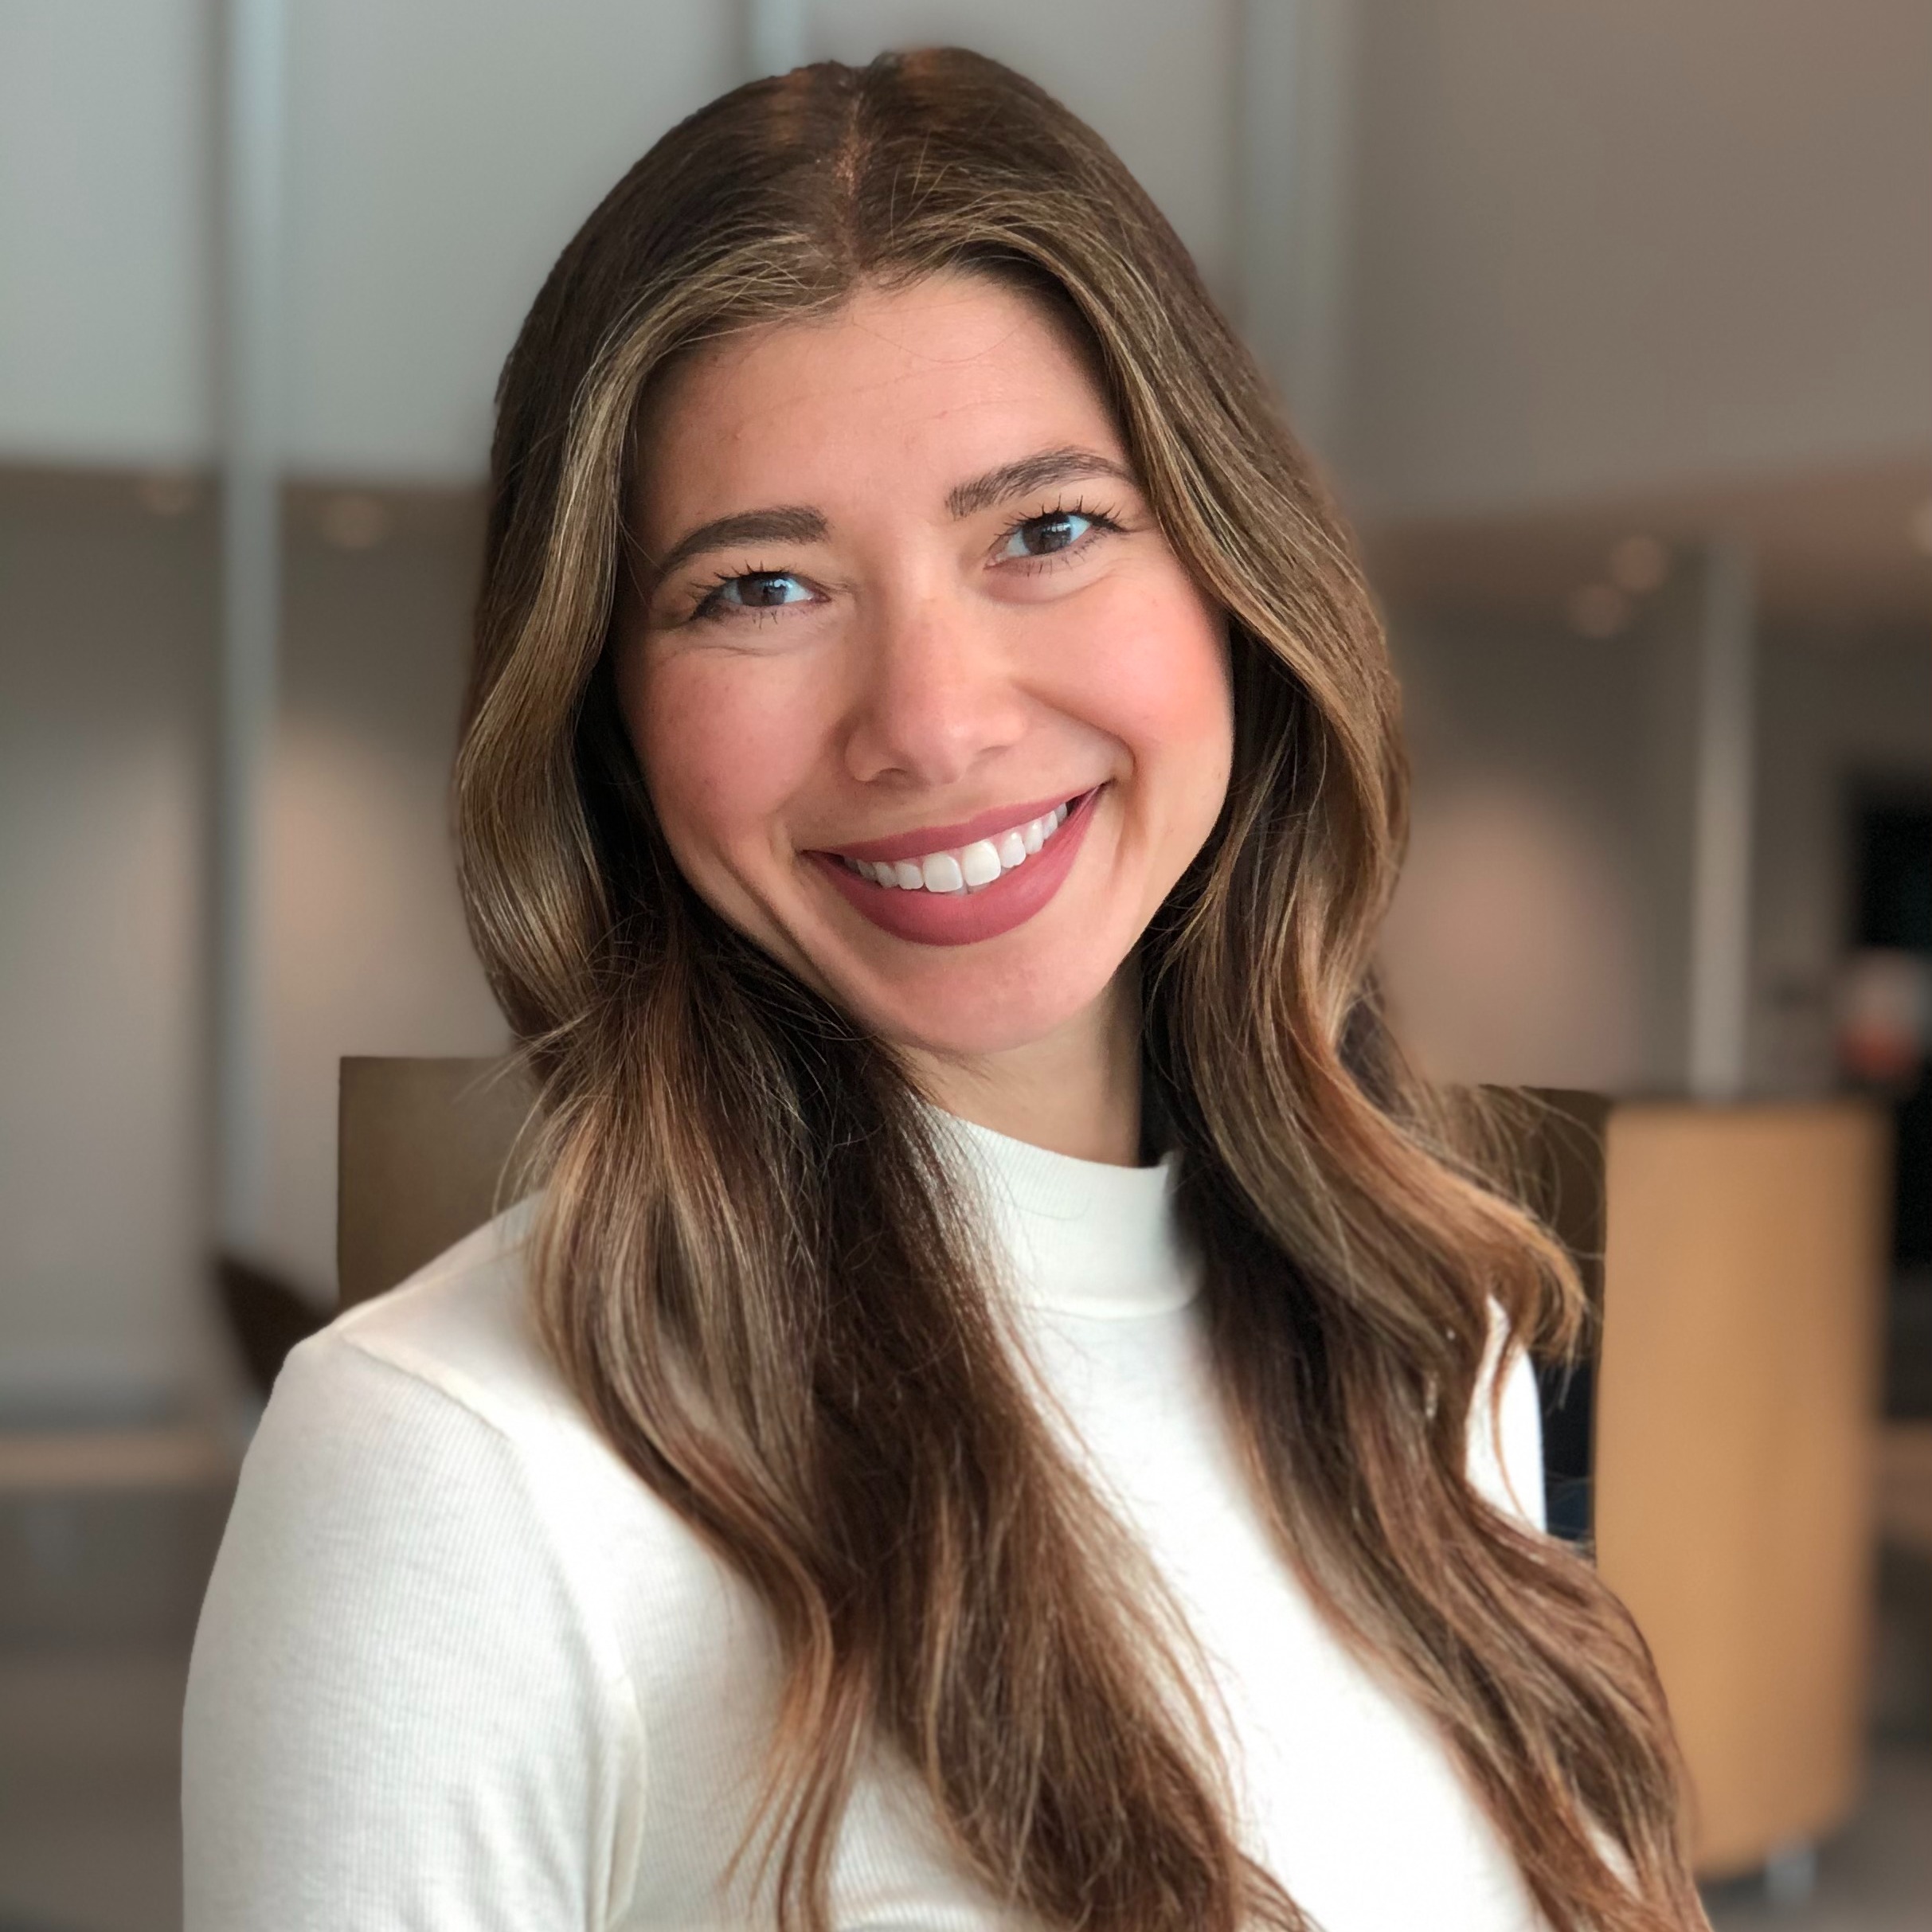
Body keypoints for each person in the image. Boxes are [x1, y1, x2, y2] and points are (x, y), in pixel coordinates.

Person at [183, 49, 1704, 1932]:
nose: (930, 721)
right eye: (759, 588)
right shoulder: (447, 1468)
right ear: (606, 713)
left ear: (1234, 581)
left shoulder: (1428, 1335)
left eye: (1047, 531)